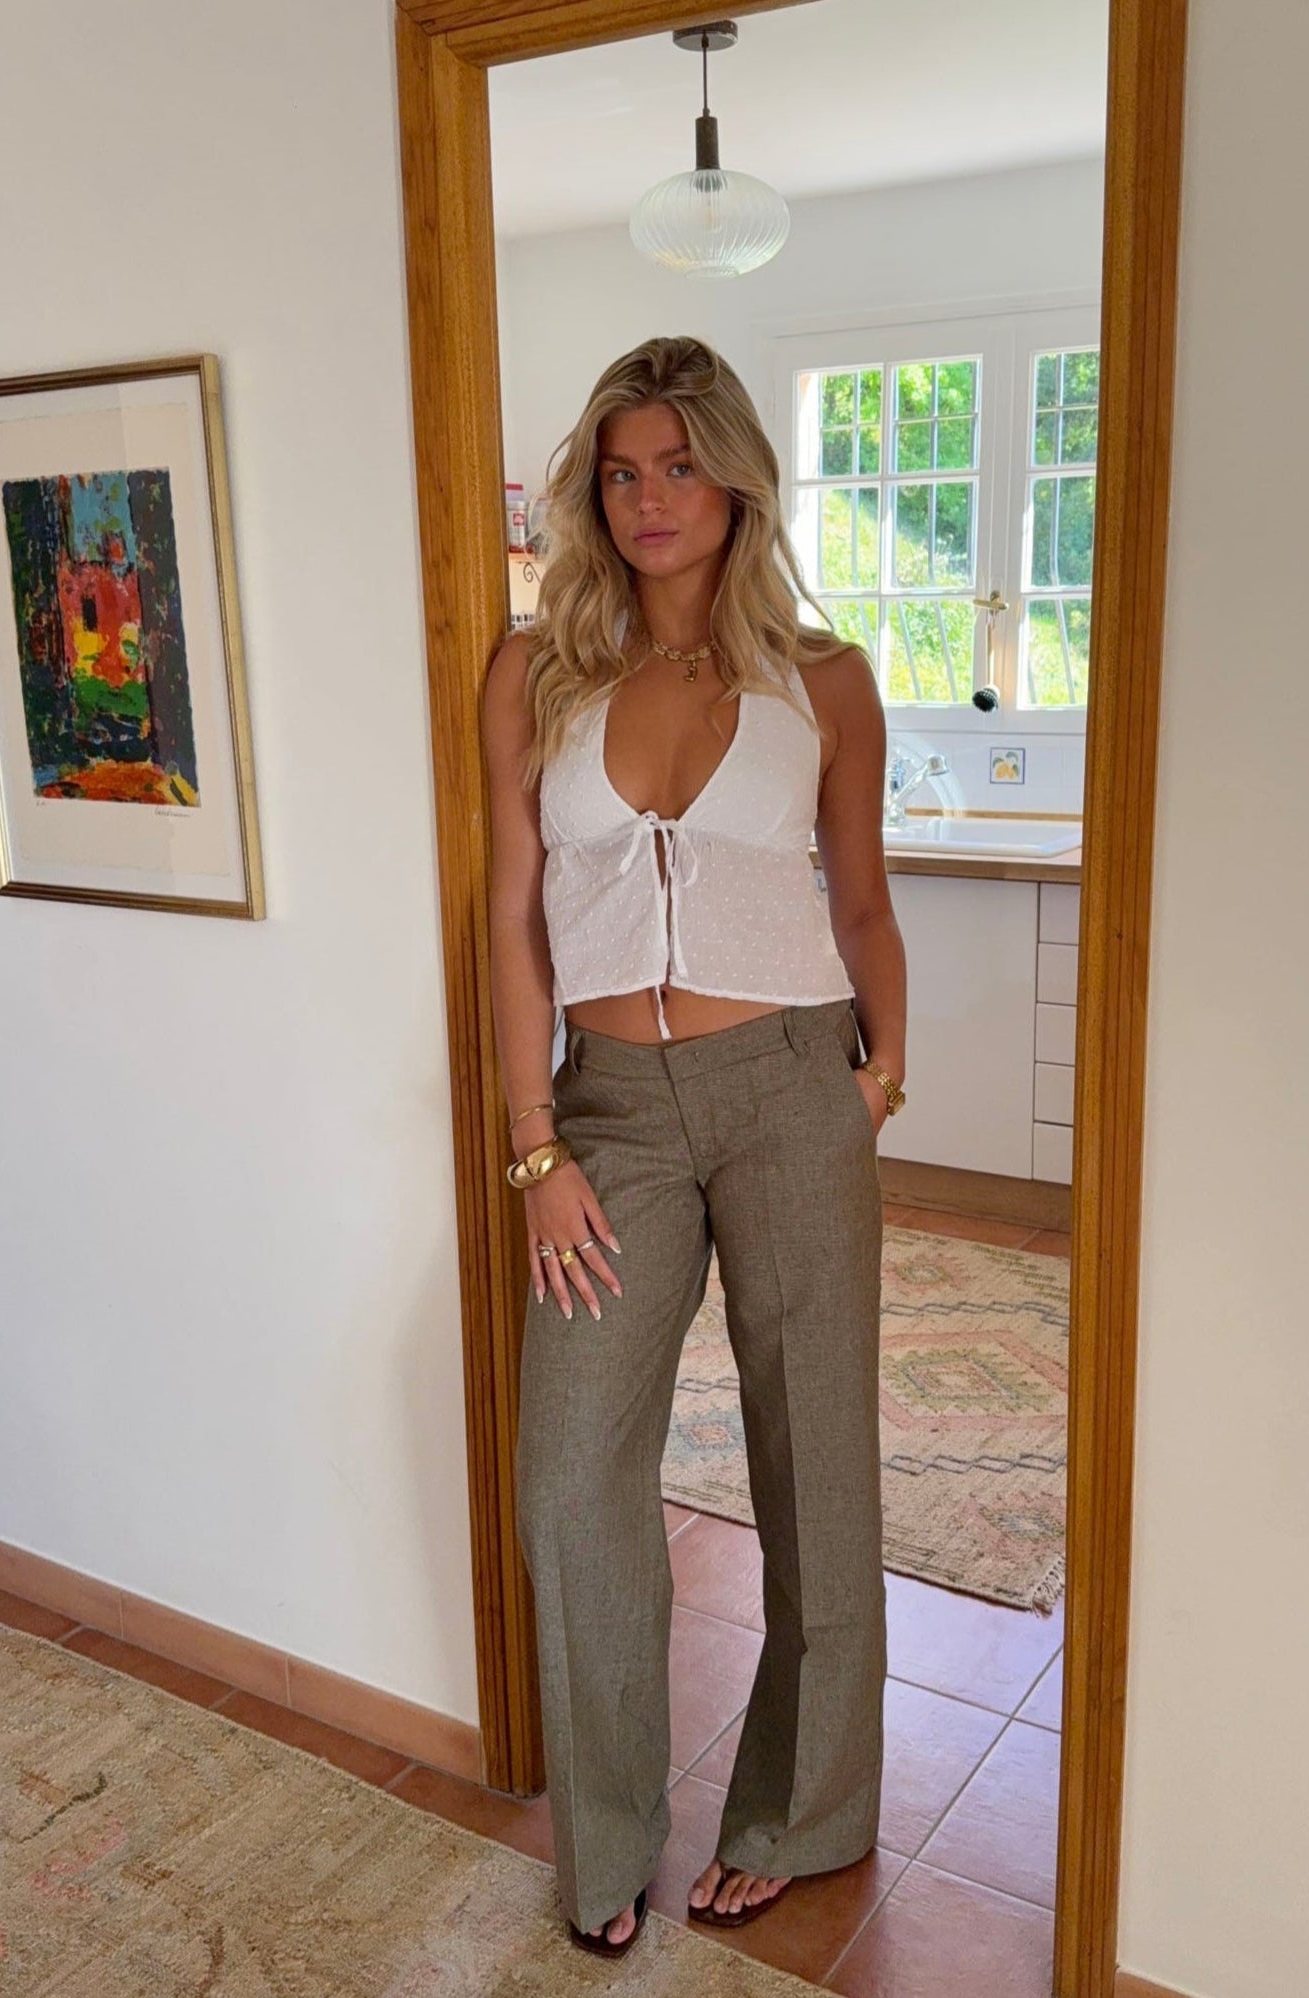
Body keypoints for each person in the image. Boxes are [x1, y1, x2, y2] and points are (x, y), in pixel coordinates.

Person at [481, 334, 908, 1960]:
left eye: (678, 465)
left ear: (735, 479)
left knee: (815, 1459)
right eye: (621, 471)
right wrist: (538, 1146)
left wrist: (877, 1077)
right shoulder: (536, 672)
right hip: (605, 1109)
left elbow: (861, 900)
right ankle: (606, 1834)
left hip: (793, 1080)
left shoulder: (826, 680)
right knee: (569, 1468)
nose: (650, 498)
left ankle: (798, 1812)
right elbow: (511, 916)